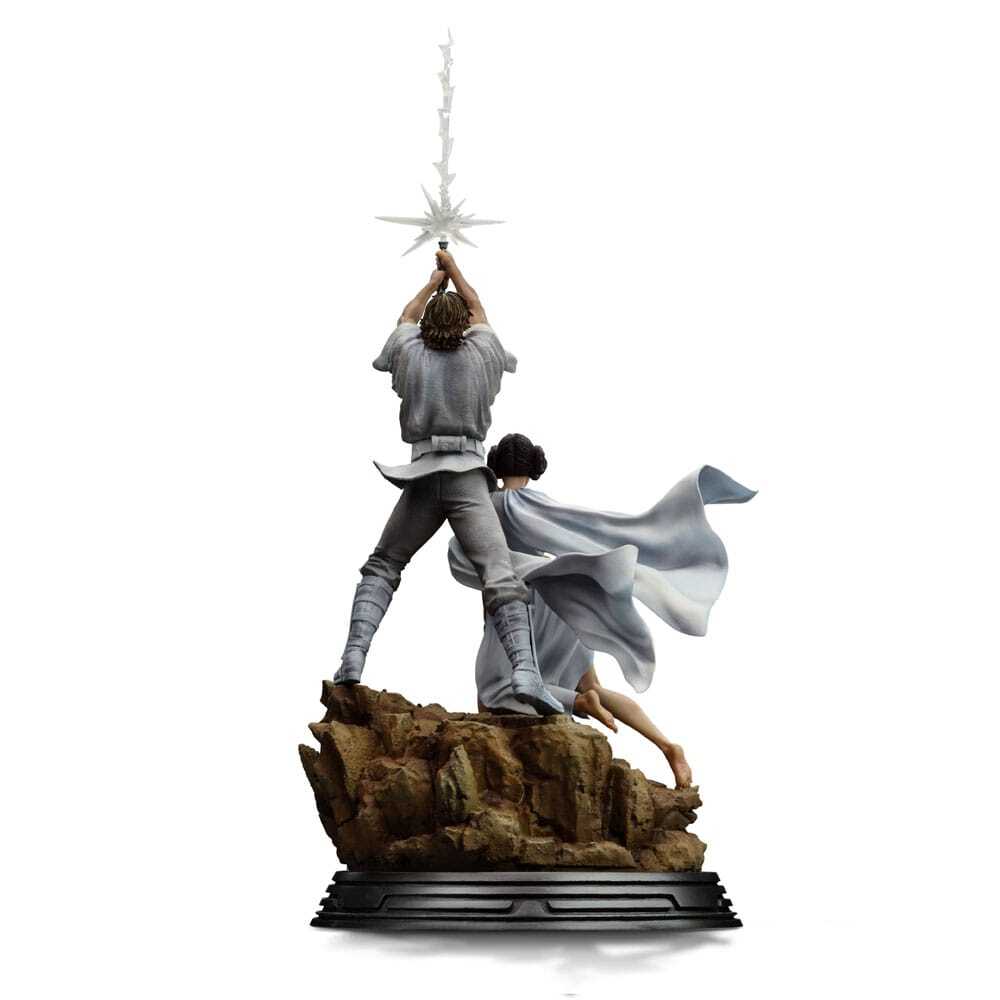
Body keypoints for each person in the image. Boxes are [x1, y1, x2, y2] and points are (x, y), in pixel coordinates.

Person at [448, 432, 757, 788]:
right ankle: (667, 745)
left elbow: (480, 564)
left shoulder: (488, 507)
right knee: (593, 684)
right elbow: (592, 529)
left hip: (521, 605)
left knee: (494, 691)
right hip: (568, 599)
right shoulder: (541, 504)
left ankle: (580, 703)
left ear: (496, 465)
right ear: (533, 466)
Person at [334, 256, 563, 716]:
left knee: (384, 564)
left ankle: (353, 657)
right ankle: (525, 672)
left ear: (427, 325)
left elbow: (405, 317)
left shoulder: (409, 352)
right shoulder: (483, 353)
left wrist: (430, 283)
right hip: (467, 480)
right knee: (500, 575)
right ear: (464, 324)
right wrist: (454, 271)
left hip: (422, 477)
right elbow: (478, 308)